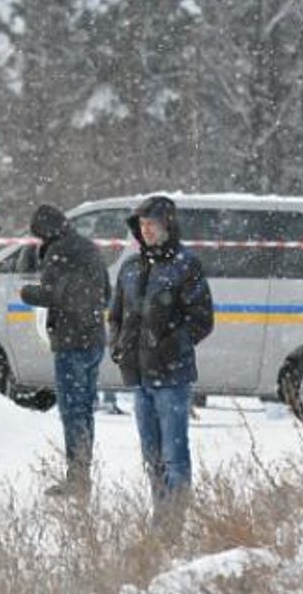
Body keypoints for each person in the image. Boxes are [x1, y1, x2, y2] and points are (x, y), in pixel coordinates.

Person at [109, 196, 213, 529]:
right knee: (151, 458)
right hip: (138, 378)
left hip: (172, 378)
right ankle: (161, 518)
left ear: (167, 225)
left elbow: (202, 319)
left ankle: (173, 526)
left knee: (174, 458)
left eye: (152, 224)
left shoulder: (186, 266)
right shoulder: (130, 267)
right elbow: (116, 316)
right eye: (141, 225)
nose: (146, 230)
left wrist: (171, 344)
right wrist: (119, 347)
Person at [19, 204, 111, 497]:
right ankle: (82, 472)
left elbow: (56, 295)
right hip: (94, 337)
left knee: (72, 411)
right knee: (84, 409)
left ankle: (78, 478)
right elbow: (105, 294)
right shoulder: (88, 247)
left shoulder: (58, 252)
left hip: (71, 341)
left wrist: (27, 293)